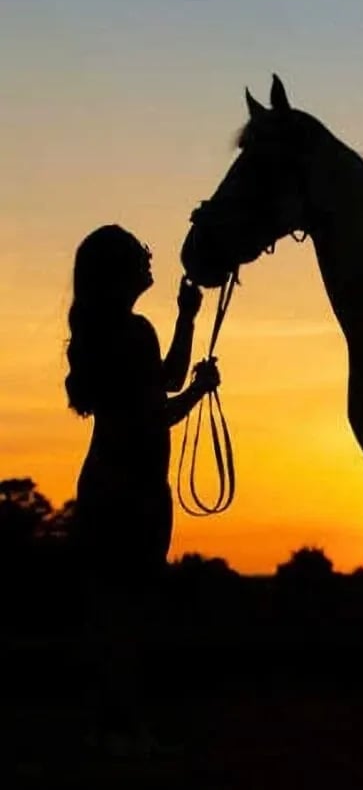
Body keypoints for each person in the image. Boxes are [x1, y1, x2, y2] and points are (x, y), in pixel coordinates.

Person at [64, 224, 220, 756]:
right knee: (130, 616)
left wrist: (186, 319)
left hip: (103, 486)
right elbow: (162, 404)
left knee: (108, 614)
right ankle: (126, 729)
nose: (149, 260)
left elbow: (166, 381)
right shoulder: (132, 332)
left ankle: (106, 727)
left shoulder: (113, 334)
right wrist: (197, 390)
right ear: (121, 272)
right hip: (137, 492)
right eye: (139, 256)